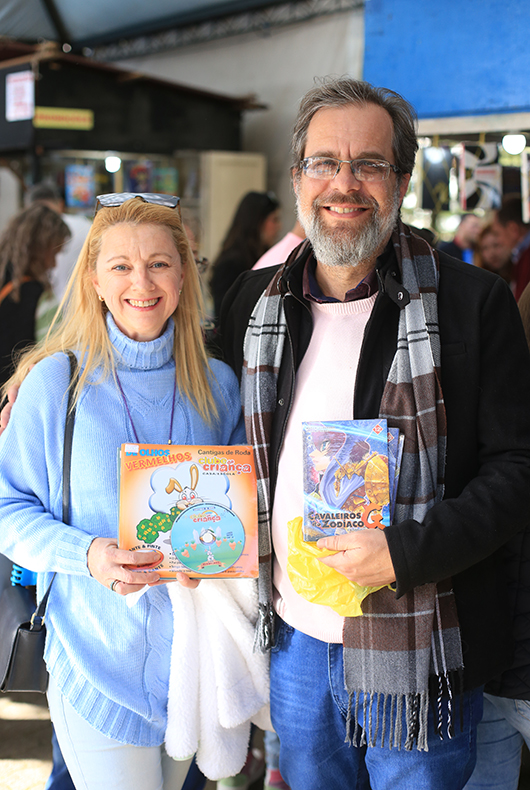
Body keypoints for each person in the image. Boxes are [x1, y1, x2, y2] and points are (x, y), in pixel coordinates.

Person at [219, 77, 530, 790]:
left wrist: (406, 552)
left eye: (370, 164)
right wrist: (44, 368)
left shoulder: (473, 304)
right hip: (295, 639)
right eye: (325, 162)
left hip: (424, 645)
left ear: (402, 180)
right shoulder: (253, 302)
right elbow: (172, 369)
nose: (344, 183)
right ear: (297, 176)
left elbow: (518, 469)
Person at [0, 193, 269, 790]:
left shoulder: (219, 385)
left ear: (183, 276)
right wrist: (88, 555)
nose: (141, 282)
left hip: (192, 672)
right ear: (94, 280)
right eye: (120, 265)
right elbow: (6, 508)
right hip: (96, 659)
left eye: (159, 264)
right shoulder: (56, 383)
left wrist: (218, 557)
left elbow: (239, 515)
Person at [0, 203, 71, 386]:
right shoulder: (40, 297)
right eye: (53, 254)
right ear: (40, 250)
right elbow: (54, 360)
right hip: (18, 395)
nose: (53, 264)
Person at [209, 191, 281, 322]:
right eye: (274, 220)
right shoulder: (230, 265)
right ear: (257, 222)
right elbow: (225, 316)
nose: (278, 226)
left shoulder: (268, 256)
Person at [26, 181, 93, 302]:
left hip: (43, 307)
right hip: (83, 305)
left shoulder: (22, 235)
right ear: (60, 204)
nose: (54, 264)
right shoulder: (84, 226)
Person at [492, 193, 530, 301]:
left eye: (498, 233)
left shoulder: (526, 259)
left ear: (513, 229)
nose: (498, 240)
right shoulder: (522, 256)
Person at [474, 222, 514, 287]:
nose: (492, 253)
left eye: (496, 245)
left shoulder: (521, 270)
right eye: (485, 248)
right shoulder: (481, 282)